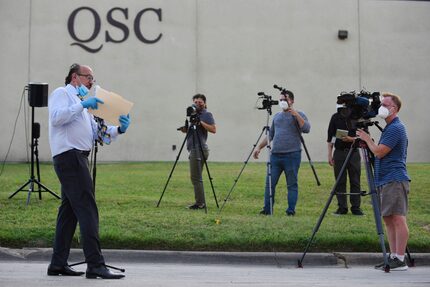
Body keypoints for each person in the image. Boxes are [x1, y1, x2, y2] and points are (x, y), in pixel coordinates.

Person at [47, 63, 130, 279]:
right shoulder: (63, 93)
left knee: (69, 212)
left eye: (92, 78)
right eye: (88, 77)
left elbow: (99, 135)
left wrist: (119, 129)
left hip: (78, 158)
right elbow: (56, 117)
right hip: (70, 156)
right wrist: (82, 105)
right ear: (75, 77)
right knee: (87, 208)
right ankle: (95, 265)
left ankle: (58, 263)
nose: (91, 82)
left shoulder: (85, 106)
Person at [357, 92, 410, 271]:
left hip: (394, 178)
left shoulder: (396, 128)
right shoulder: (389, 127)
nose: (381, 107)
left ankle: (400, 259)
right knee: (388, 218)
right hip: (385, 179)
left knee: (397, 218)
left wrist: (366, 139)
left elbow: (379, 152)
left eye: (385, 105)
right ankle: (393, 256)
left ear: (394, 109)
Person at [253, 90, 310, 216]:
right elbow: (271, 135)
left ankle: (291, 210)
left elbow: (306, 128)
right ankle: (267, 210)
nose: (282, 102)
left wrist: (295, 114)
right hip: (275, 156)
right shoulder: (277, 117)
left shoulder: (299, 114)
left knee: (292, 184)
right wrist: (259, 148)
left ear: (292, 101)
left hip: (292, 155)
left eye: (285, 99)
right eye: (281, 100)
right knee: (270, 184)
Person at [181, 94, 216, 209]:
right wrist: (185, 129)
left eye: (200, 102)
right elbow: (193, 131)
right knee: (196, 177)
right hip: (193, 148)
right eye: (195, 102)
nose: (197, 104)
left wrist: (200, 122)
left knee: (196, 177)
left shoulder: (206, 114)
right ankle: (200, 202)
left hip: (199, 148)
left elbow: (213, 129)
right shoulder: (192, 114)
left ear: (204, 103)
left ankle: (200, 203)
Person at [327, 106, 363, 216]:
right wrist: (330, 153)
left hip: (354, 152)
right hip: (339, 152)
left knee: (355, 180)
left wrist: (351, 139)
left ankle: (356, 207)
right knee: (340, 180)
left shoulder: (357, 117)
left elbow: (364, 136)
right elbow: (331, 137)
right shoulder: (335, 117)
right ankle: (342, 207)